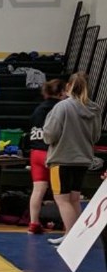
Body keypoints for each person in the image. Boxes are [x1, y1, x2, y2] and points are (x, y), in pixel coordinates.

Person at [42, 72, 102, 242]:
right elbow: (96, 136)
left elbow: (50, 134)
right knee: (74, 198)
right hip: (83, 159)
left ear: (68, 87)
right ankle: (77, 236)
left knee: (62, 199)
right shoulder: (94, 109)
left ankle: (70, 236)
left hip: (61, 159)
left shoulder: (62, 107)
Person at [23, 78, 64, 233]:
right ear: (61, 93)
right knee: (60, 193)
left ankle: (34, 223)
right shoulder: (60, 108)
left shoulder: (38, 109)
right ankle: (67, 225)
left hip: (36, 153)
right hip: (51, 152)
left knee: (38, 190)